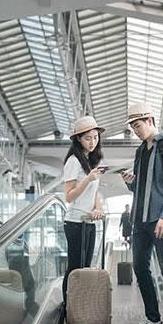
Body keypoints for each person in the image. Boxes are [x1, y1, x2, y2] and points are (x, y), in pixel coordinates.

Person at [121, 102, 163, 324]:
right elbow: (141, 189)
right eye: (133, 127)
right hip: (141, 220)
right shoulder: (141, 151)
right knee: (140, 267)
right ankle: (153, 319)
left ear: (150, 121)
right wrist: (130, 182)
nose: (135, 131)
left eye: (138, 125)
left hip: (161, 220)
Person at [61, 116, 105, 307]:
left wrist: (98, 207)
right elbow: (69, 197)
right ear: (78, 139)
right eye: (88, 138)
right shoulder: (73, 161)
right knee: (74, 269)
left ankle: (81, 309)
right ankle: (69, 307)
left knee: (85, 268)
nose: (92, 142)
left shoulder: (91, 159)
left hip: (89, 221)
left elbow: (95, 192)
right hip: (75, 222)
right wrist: (87, 179)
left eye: (95, 137)